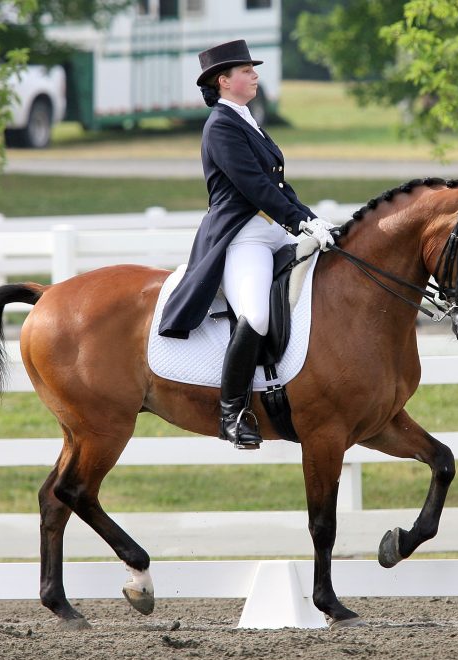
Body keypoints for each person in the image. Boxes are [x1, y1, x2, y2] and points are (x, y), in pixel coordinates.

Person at [158, 39, 336, 449]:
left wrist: (312, 219)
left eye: (253, 70)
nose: (255, 74)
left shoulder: (246, 118)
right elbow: (254, 187)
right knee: (255, 317)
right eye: (246, 71)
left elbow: (278, 184)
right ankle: (232, 413)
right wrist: (300, 222)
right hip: (242, 236)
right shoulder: (221, 126)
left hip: (272, 229)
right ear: (224, 81)